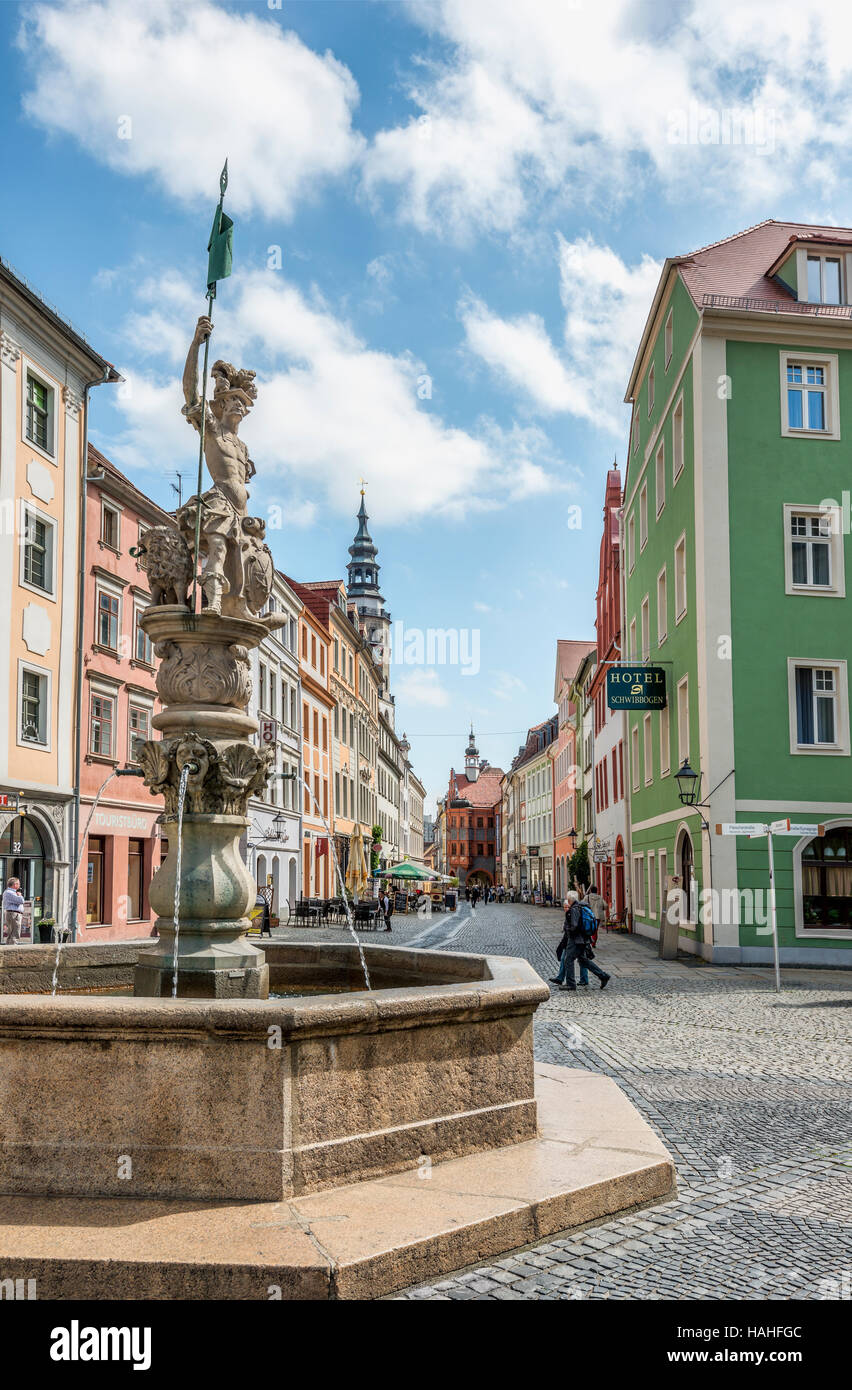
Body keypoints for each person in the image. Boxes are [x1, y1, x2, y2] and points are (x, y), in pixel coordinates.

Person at [550, 891, 610, 992]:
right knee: (583, 960)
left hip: (576, 940)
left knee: (568, 960)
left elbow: (574, 926)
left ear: (569, 900)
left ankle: (571, 984)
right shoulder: (581, 906)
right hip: (583, 939)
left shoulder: (574, 909)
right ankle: (603, 976)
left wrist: (567, 929)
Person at [2, 877, 25, 945]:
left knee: (11, 933)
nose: (19, 885)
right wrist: (20, 895)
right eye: (18, 884)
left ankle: (8, 950)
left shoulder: (9, 892)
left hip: (12, 913)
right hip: (14, 914)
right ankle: (13, 949)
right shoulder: (10, 892)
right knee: (15, 933)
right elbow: (21, 901)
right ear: (15, 884)